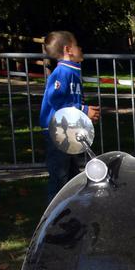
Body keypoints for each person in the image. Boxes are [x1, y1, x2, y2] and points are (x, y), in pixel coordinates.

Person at [39, 30, 100, 201]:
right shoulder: (61, 73)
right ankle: (54, 215)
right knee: (60, 174)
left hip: (68, 131)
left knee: (73, 173)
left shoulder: (72, 72)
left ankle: (70, 207)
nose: (81, 49)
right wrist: (84, 109)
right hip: (57, 132)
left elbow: (69, 102)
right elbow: (55, 100)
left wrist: (84, 115)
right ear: (68, 50)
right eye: (77, 45)